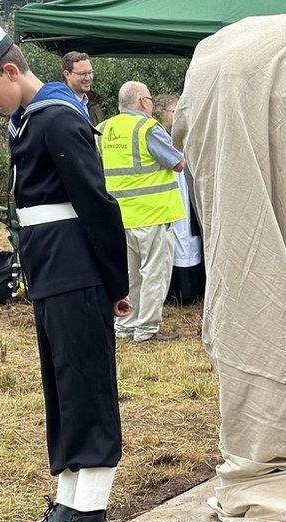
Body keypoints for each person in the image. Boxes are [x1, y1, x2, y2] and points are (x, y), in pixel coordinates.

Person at [0, 17, 130, 522]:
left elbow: (97, 204)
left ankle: (87, 519)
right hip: (52, 269)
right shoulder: (28, 120)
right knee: (64, 388)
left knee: (87, 389)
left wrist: (117, 282)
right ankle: (67, 505)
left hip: (77, 271)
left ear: (9, 70)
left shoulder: (56, 118)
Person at [97, 81, 187, 342]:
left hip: (118, 217)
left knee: (129, 275)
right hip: (152, 214)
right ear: (142, 102)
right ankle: (147, 329)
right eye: (148, 99)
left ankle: (125, 326)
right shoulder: (147, 127)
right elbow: (178, 163)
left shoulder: (104, 129)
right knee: (154, 274)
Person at [152, 94, 205, 304]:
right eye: (175, 111)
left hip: (184, 191)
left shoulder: (180, 134)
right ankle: (179, 293)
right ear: (162, 112)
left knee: (189, 239)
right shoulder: (158, 134)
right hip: (170, 193)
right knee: (178, 240)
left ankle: (192, 290)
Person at [61, 51, 104, 125]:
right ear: (67, 74)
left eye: (90, 72)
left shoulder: (93, 104)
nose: (88, 78)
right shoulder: (59, 106)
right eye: (82, 74)